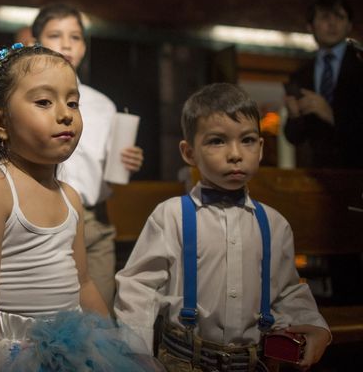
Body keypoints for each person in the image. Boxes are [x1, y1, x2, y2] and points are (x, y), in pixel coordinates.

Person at [0, 44, 158, 371]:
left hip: (75, 349)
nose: (65, 113)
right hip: (12, 351)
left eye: (73, 102)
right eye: (43, 102)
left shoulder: (70, 196)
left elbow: (83, 283)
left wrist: (117, 347)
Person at [115, 83, 331, 371]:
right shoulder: (171, 216)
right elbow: (138, 288)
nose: (235, 154)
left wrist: (317, 328)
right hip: (183, 361)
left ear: (261, 147)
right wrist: (136, 356)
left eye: (247, 140)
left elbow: (287, 290)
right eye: (217, 141)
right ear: (189, 152)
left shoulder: (275, 225)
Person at [31, 3, 144, 310]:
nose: (67, 44)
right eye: (56, 35)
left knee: (99, 316)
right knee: (49, 316)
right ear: (35, 41)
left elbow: (109, 170)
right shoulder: (24, 98)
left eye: (76, 37)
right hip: (41, 216)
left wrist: (126, 162)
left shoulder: (101, 105)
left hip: (94, 221)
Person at [284, 0, 363, 169]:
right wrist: (294, 116)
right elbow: (294, 138)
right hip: (318, 171)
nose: (332, 23)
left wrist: (331, 115)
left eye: (339, 17)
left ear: (349, 25)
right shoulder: (301, 74)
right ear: (310, 26)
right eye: (325, 17)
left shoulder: (360, 65)